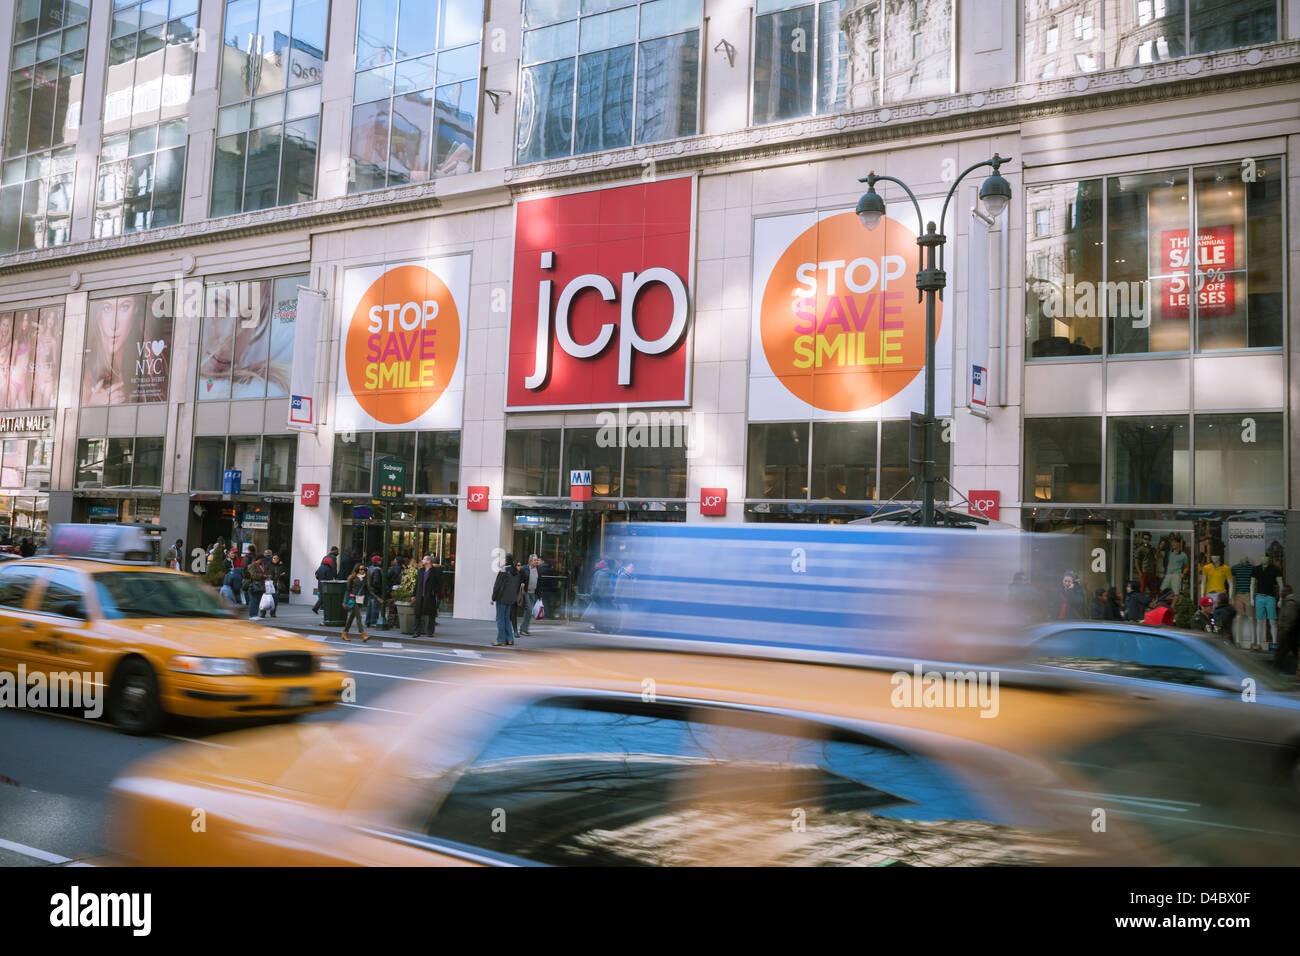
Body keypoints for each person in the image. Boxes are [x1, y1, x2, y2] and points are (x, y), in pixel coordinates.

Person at [490, 554, 521, 647]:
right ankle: (510, 639)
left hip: (502, 597)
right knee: (507, 618)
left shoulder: (503, 570)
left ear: (506, 560)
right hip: (511, 598)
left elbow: (497, 585)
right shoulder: (516, 572)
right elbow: (517, 587)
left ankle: (501, 640)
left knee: (500, 619)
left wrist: (493, 598)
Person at [412, 555, 443, 638]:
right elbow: (417, 584)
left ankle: (430, 632)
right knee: (417, 614)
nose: (422, 560)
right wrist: (414, 595)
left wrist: (434, 591)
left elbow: (439, 584)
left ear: (428, 561)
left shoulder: (435, 571)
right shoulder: (421, 571)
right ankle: (416, 632)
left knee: (431, 614)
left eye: (424, 559)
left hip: (429, 596)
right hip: (419, 596)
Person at [340, 564, 370, 643]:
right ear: (357, 570)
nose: (362, 571)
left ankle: (344, 633)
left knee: (351, 617)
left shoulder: (365, 579)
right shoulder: (352, 578)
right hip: (353, 599)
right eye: (360, 569)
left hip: (360, 599)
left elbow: (368, 591)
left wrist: (377, 597)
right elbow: (347, 591)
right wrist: (345, 602)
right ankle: (363, 634)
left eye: (363, 569)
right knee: (359, 616)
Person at [1275, 585, 1300, 673]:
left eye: (1283, 591)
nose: (1281, 593)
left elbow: (1289, 619)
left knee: (1279, 655)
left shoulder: (1290, 603)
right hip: (1290, 635)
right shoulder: (1287, 602)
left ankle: (1275, 673)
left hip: (1287, 634)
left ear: (1287, 592)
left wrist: (1284, 631)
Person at [519, 555, 541, 636]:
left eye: (537, 560)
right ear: (530, 561)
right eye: (535, 560)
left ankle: (525, 629)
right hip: (526, 593)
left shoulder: (538, 570)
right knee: (528, 609)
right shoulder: (525, 569)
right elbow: (520, 579)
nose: (536, 562)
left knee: (529, 611)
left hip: (533, 593)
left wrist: (539, 595)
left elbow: (539, 583)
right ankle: (522, 629)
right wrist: (521, 584)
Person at [364, 556, 385, 629]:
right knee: (374, 607)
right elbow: (376, 582)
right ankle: (373, 622)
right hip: (375, 591)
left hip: (370, 590)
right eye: (379, 560)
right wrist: (380, 588)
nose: (381, 561)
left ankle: (367, 622)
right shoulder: (376, 570)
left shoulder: (370, 568)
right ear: (376, 561)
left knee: (370, 606)